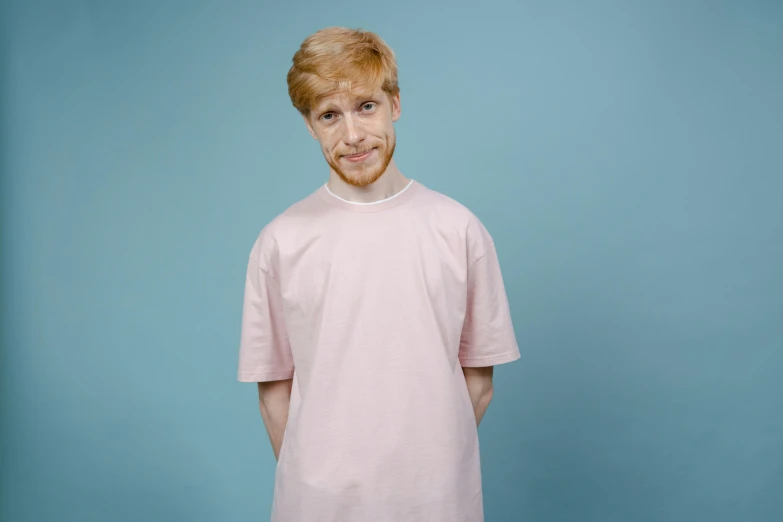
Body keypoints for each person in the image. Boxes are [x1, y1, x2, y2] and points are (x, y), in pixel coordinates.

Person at [237, 26, 520, 522]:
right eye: (329, 115)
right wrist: (320, 483)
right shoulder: (280, 241)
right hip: (316, 505)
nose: (352, 135)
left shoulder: (459, 229)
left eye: (366, 106)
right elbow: (273, 392)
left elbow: (479, 382)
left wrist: (425, 472)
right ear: (309, 125)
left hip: (438, 504)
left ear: (395, 103)